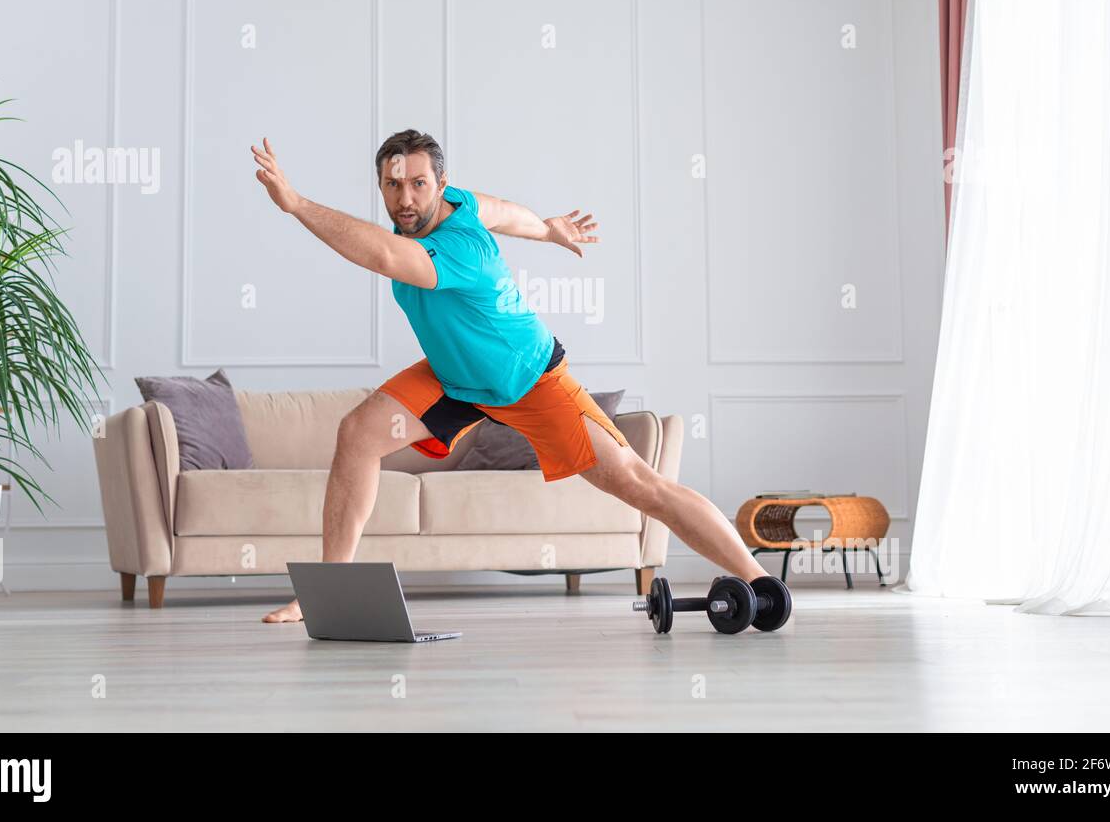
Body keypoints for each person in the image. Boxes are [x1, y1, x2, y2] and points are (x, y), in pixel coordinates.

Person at [252, 129, 772, 623]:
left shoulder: (462, 248)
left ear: (439, 182)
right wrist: (547, 228)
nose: (405, 199)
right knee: (358, 433)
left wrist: (296, 203)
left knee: (640, 485)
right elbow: (503, 211)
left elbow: (387, 255)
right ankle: (328, 595)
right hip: (455, 379)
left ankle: (763, 583)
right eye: (393, 185)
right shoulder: (455, 200)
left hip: (528, 381)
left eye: (418, 185)